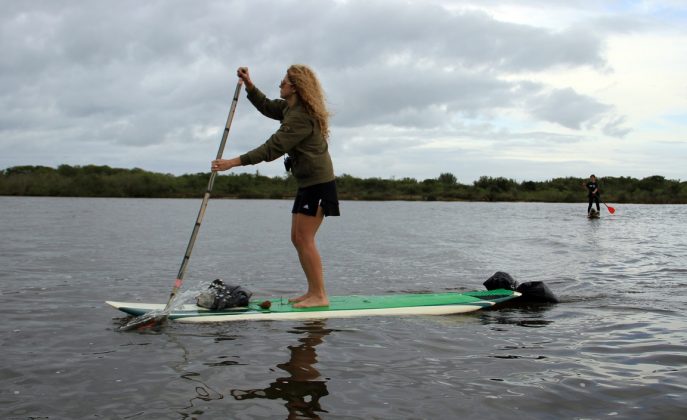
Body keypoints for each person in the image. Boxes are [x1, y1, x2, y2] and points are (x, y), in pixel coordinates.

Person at [211, 65, 339, 308]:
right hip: (308, 183)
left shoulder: (301, 117)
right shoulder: (289, 109)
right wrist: (249, 84)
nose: (280, 85)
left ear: (295, 87)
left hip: (320, 185)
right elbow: (266, 106)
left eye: (284, 82)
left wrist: (232, 162)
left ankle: (320, 296)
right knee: (298, 238)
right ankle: (312, 291)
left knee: (305, 238)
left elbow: (272, 148)